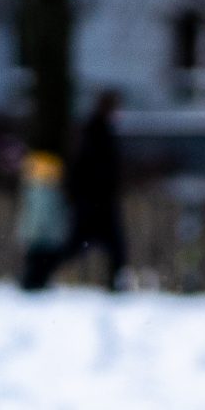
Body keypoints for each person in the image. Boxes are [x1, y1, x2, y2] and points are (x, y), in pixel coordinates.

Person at [65, 89, 128, 287]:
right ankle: (38, 273)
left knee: (113, 247)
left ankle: (115, 283)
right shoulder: (96, 132)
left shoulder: (99, 131)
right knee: (76, 245)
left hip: (97, 202)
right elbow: (87, 168)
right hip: (95, 203)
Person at [16, 151, 70, 291]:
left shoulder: (38, 188)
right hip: (41, 237)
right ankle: (34, 283)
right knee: (39, 262)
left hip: (40, 237)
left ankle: (34, 283)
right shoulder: (43, 189)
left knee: (38, 262)